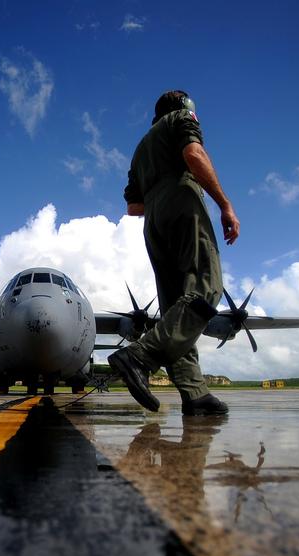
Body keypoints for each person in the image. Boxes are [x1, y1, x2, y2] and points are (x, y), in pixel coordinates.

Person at [108, 90, 239, 416]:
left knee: (174, 310)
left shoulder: (140, 150)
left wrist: (157, 197)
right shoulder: (182, 119)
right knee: (205, 288)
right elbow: (194, 155)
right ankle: (141, 356)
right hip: (183, 203)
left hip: (152, 220)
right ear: (185, 108)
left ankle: (194, 392)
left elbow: (132, 207)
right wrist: (224, 204)